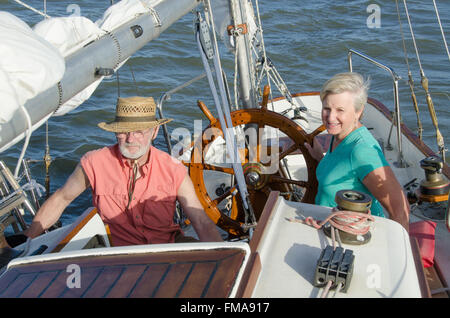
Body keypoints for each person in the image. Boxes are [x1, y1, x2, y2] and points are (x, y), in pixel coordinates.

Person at [22, 96, 223, 246]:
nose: (130, 139)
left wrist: (222, 261)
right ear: (115, 132)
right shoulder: (93, 162)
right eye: (124, 131)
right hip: (116, 256)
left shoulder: (174, 170)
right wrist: (27, 245)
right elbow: (61, 199)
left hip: (166, 249)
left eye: (139, 132)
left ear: (154, 132)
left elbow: (200, 221)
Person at [304, 72, 410, 231]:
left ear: (358, 112)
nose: (331, 118)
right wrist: (320, 158)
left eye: (340, 110)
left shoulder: (362, 150)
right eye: (327, 108)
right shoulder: (338, 135)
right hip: (328, 226)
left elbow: (401, 210)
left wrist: (396, 253)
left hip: (354, 236)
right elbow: (343, 174)